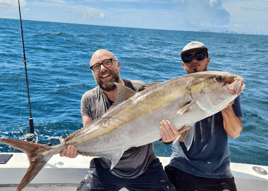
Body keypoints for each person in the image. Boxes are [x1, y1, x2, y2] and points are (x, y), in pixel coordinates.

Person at [60, 49, 186, 191]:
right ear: (93, 72)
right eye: (96, 66)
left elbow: (157, 128)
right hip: (105, 168)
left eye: (107, 62)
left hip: (145, 168)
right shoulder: (88, 99)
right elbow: (89, 137)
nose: (102, 69)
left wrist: (168, 138)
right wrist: (73, 148)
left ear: (118, 65)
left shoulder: (140, 90)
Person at [159, 41, 244, 191]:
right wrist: (167, 137)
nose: (193, 61)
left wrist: (226, 106)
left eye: (199, 56)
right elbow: (178, 136)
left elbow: (235, 133)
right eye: (187, 58)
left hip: (219, 172)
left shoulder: (226, 91)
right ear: (183, 65)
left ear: (207, 60)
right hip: (180, 166)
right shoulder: (173, 93)